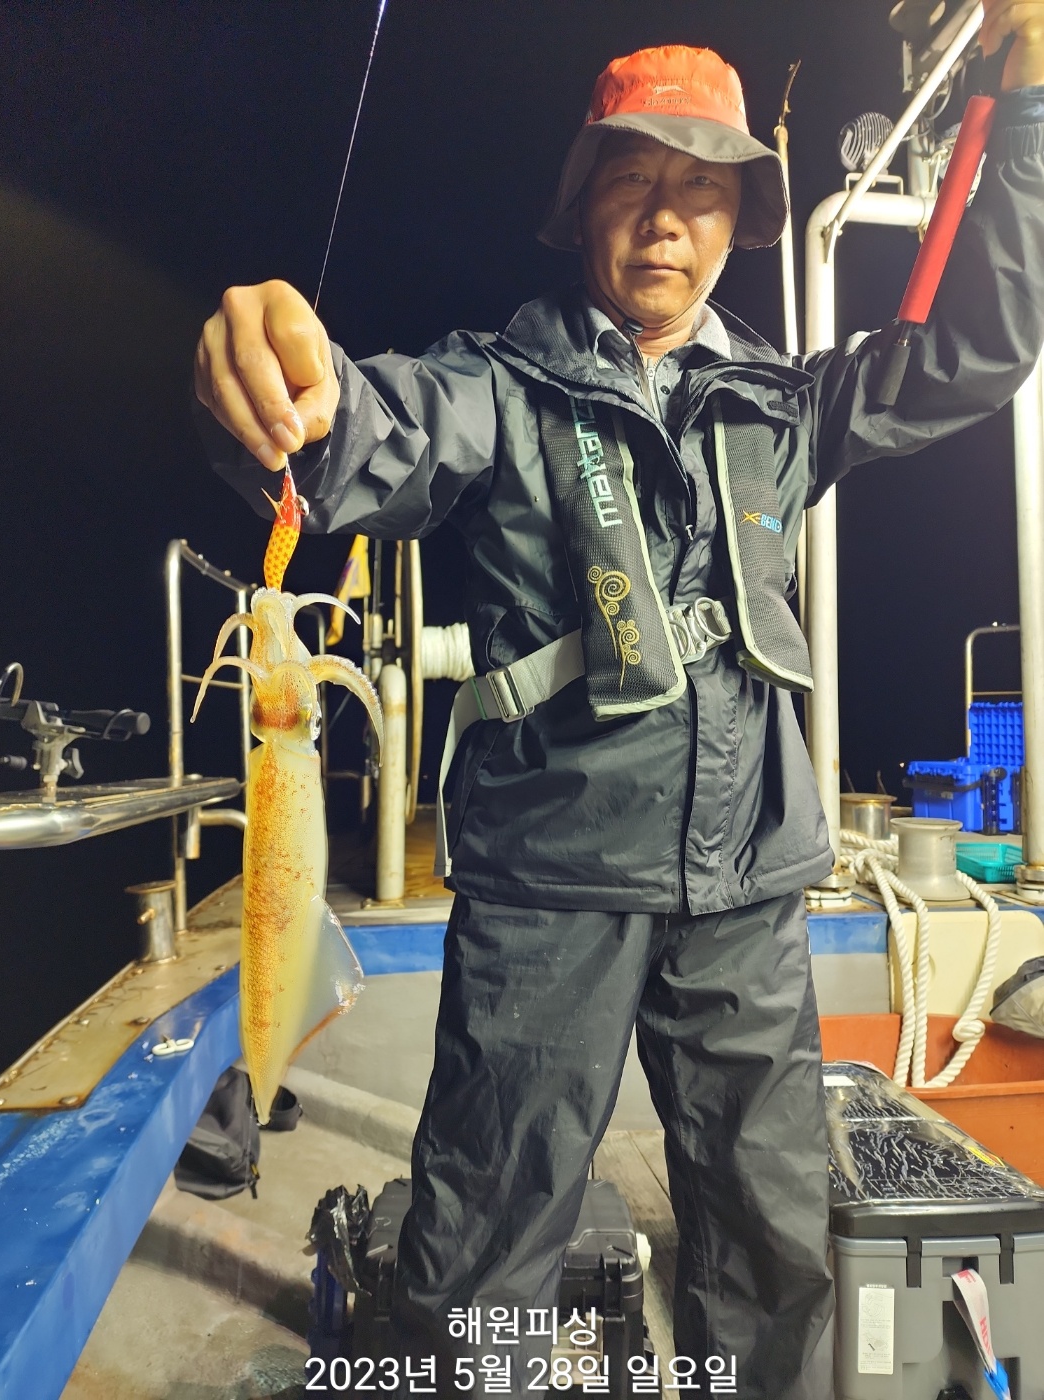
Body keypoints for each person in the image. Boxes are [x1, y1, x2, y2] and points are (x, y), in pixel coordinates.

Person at [194, 6, 1044, 1396]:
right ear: (582, 206)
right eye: (634, 180)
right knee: (482, 1251)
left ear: (735, 227)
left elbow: (977, 349)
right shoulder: (493, 388)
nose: (664, 217)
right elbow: (353, 439)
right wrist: (276, 379)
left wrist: (1028, 104)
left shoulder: (785, 403)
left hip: (747, 894)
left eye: (700, 189)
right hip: (550, 895)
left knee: (772, 1247)